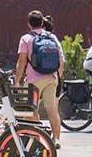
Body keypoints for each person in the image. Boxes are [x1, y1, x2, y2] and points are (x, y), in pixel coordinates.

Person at [15, 10, 65, 148]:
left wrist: (18, 80)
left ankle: (37, 139)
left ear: (29, 24)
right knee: (52, 109)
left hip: (33, 80)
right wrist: (58, 78)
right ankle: (56, 139)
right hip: (51, 78)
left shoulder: (26, 38)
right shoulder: (52, 38)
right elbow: (61, 61)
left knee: (31, 110)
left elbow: (22, 62)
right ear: (42, 23)